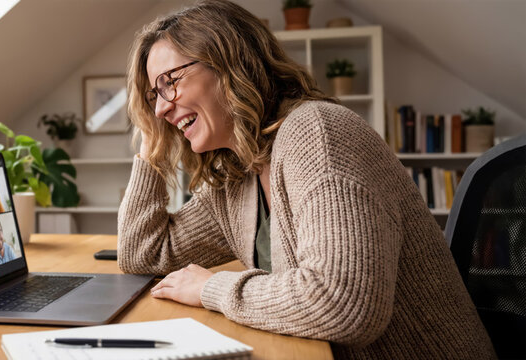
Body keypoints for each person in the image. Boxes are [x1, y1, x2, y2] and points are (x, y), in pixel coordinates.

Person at [116, 1, 494, 359]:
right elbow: (143, 254)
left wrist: (210, 288)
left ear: (230, 64)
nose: (161, 106)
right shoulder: (236, 177)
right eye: (153, 95)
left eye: (171, 82)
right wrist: (151, 150)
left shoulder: (318, 133)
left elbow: (343, 304)